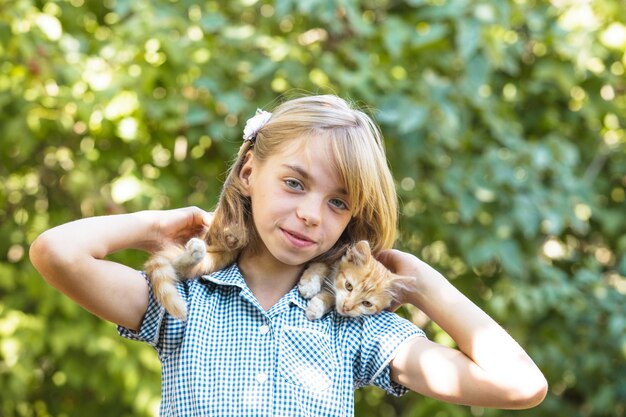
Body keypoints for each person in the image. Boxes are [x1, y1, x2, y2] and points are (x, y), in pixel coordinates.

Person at [30, 95, 547, 416]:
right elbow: (57, 252)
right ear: (249, 172)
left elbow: (520, 385)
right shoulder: (187, 300)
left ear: (351, 218)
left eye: (337, 201)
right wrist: (160, 223)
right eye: (295, 183)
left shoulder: (356, 328)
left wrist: (423, 284)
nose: (310, 214)